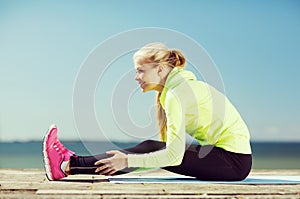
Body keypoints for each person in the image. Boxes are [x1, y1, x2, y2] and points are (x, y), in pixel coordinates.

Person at [43, 42, 252, 181]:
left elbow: (173, 156)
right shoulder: (177, 89)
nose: (136, 77)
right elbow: (166, 155)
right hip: (225, 157)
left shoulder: (177, 94)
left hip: (233, 162)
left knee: (149, 148)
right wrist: (127, 162)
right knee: (149, 147)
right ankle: (70, 163)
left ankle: (67, 164)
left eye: (140, 70)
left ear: (160, 69)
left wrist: (127, 161)